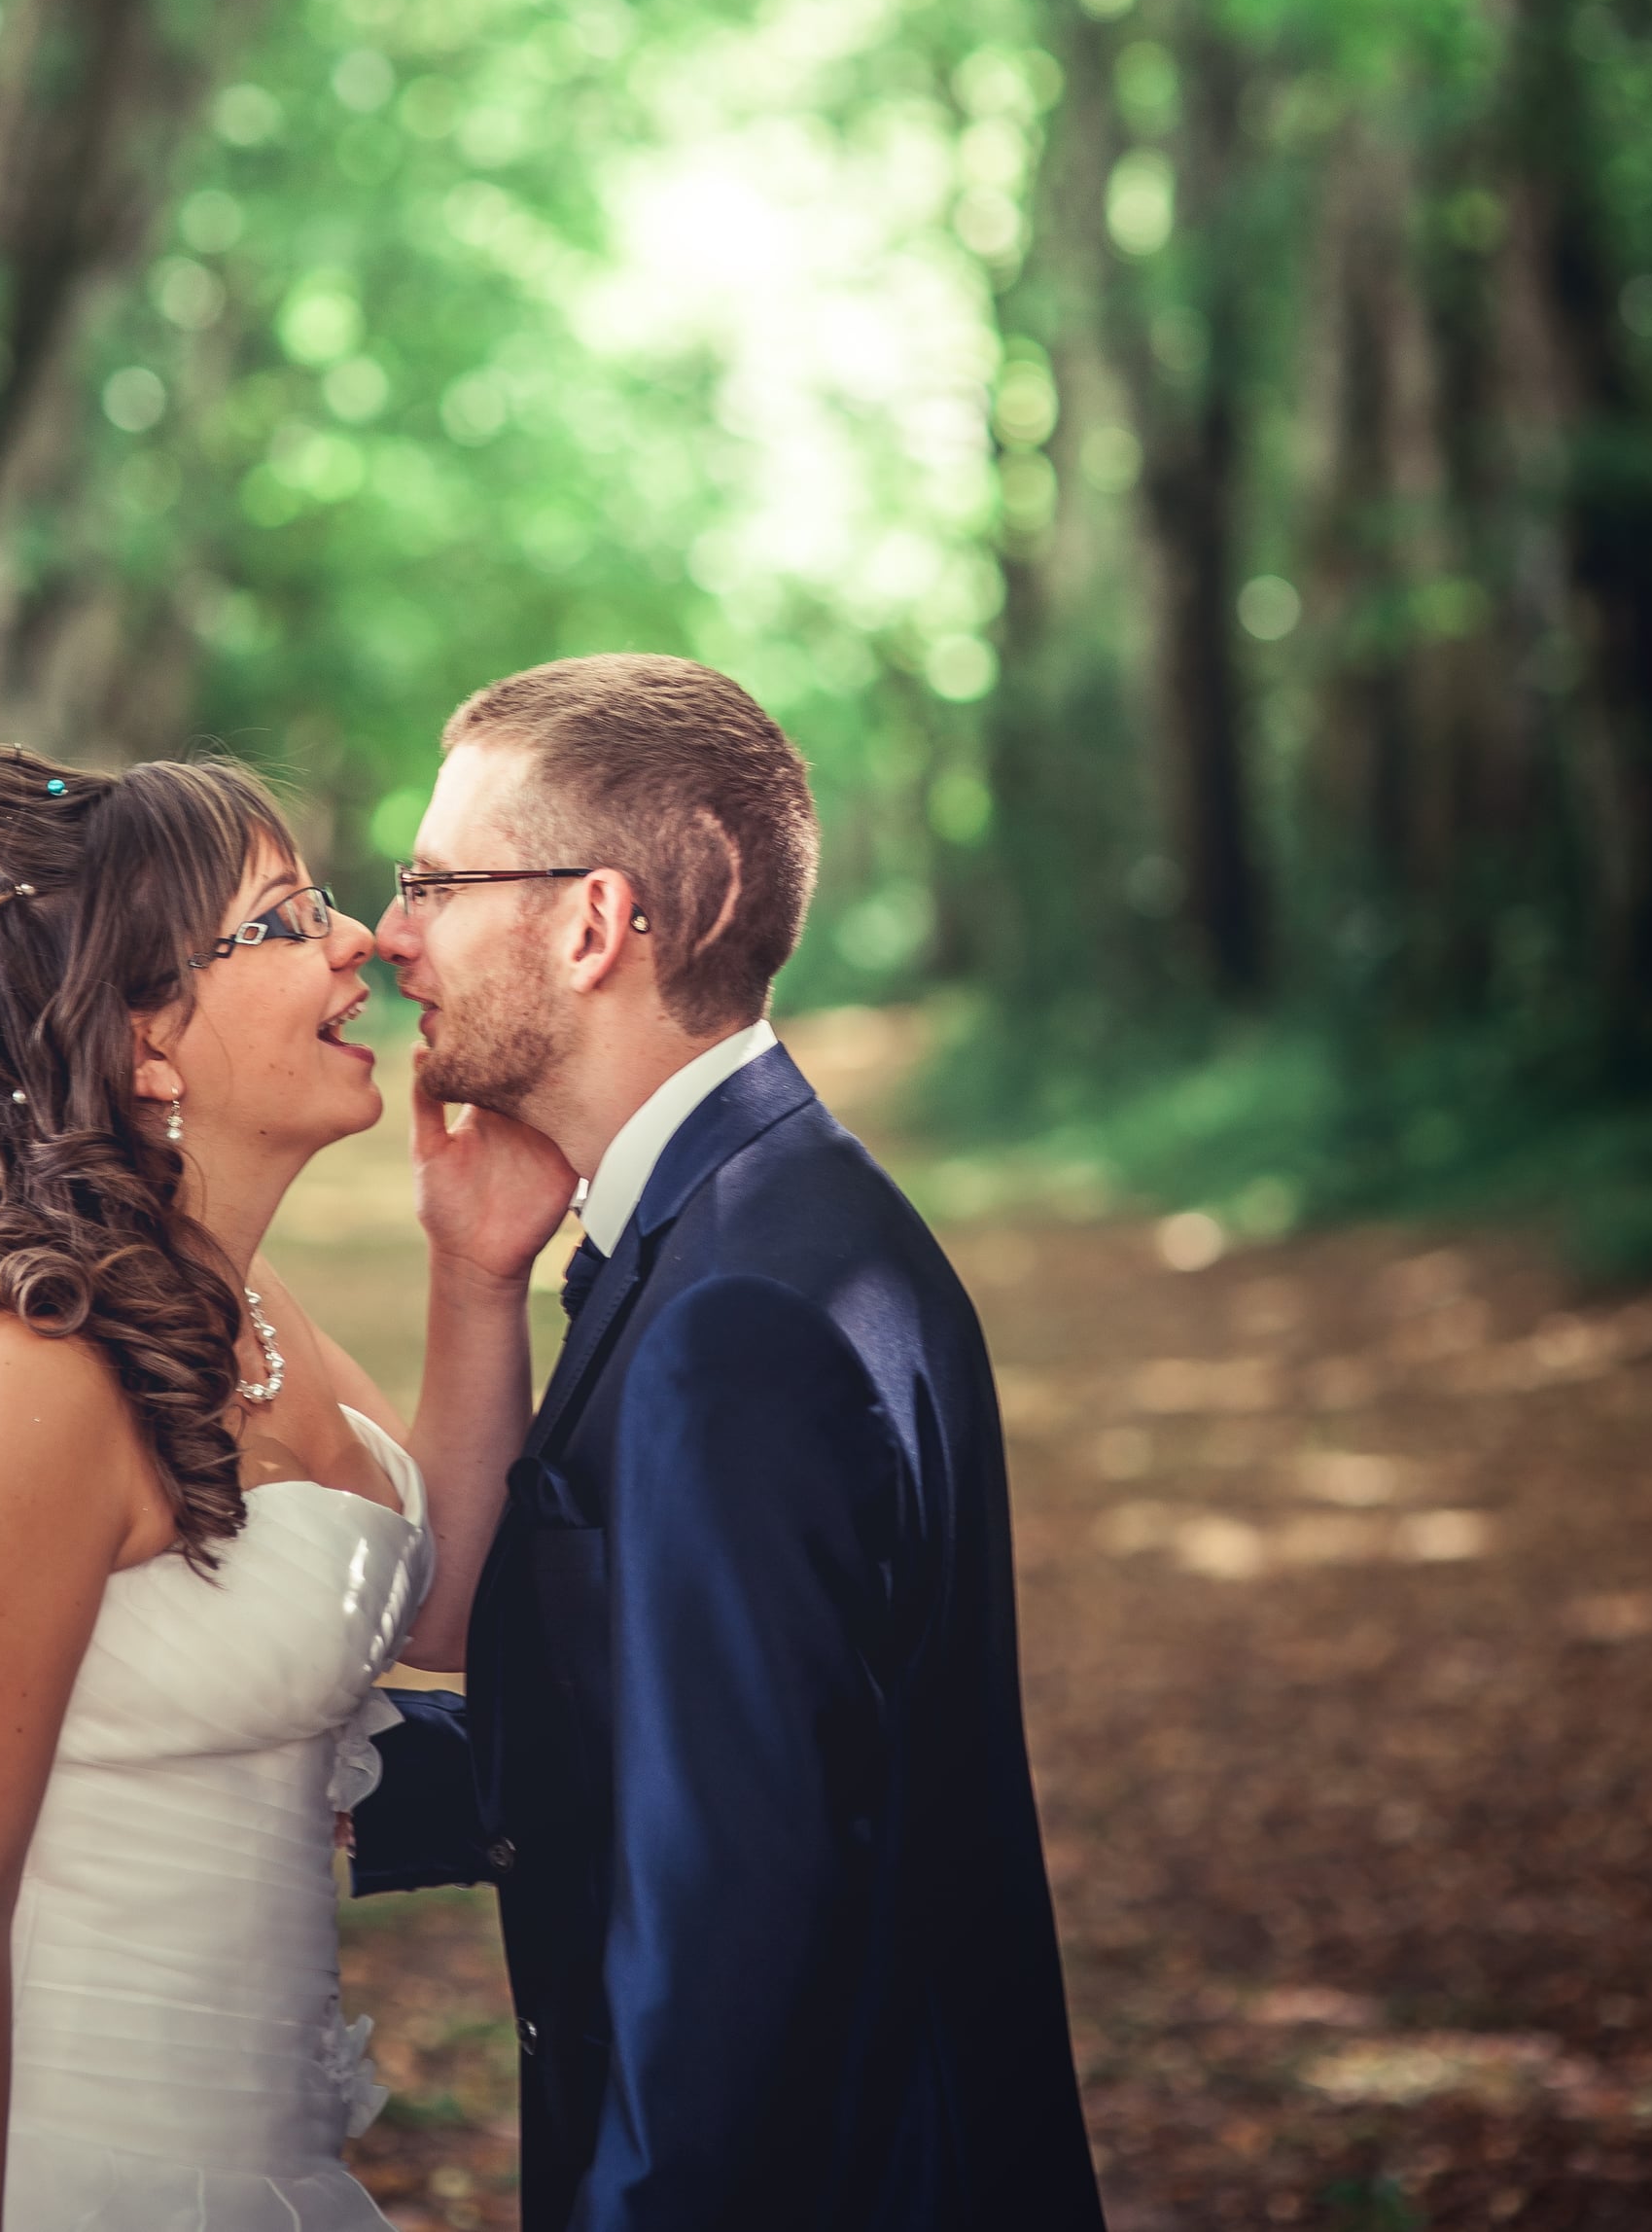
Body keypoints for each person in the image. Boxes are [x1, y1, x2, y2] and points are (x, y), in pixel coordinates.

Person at [354, 655, 1105, 2232]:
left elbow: (728, 1938)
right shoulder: (780, 1220)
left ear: (593, 921)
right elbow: (644, 1736)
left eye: (431, 878)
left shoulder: (739, 1318)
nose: (390, 934)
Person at [0, 742, 574, 2231]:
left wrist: (477, 1275)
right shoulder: (16, 1385)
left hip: (262, 2165)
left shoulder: (247, 1308)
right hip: (48, 2169)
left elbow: (454, 1610)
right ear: (147, 1037)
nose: (359, 941)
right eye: (283, 921)